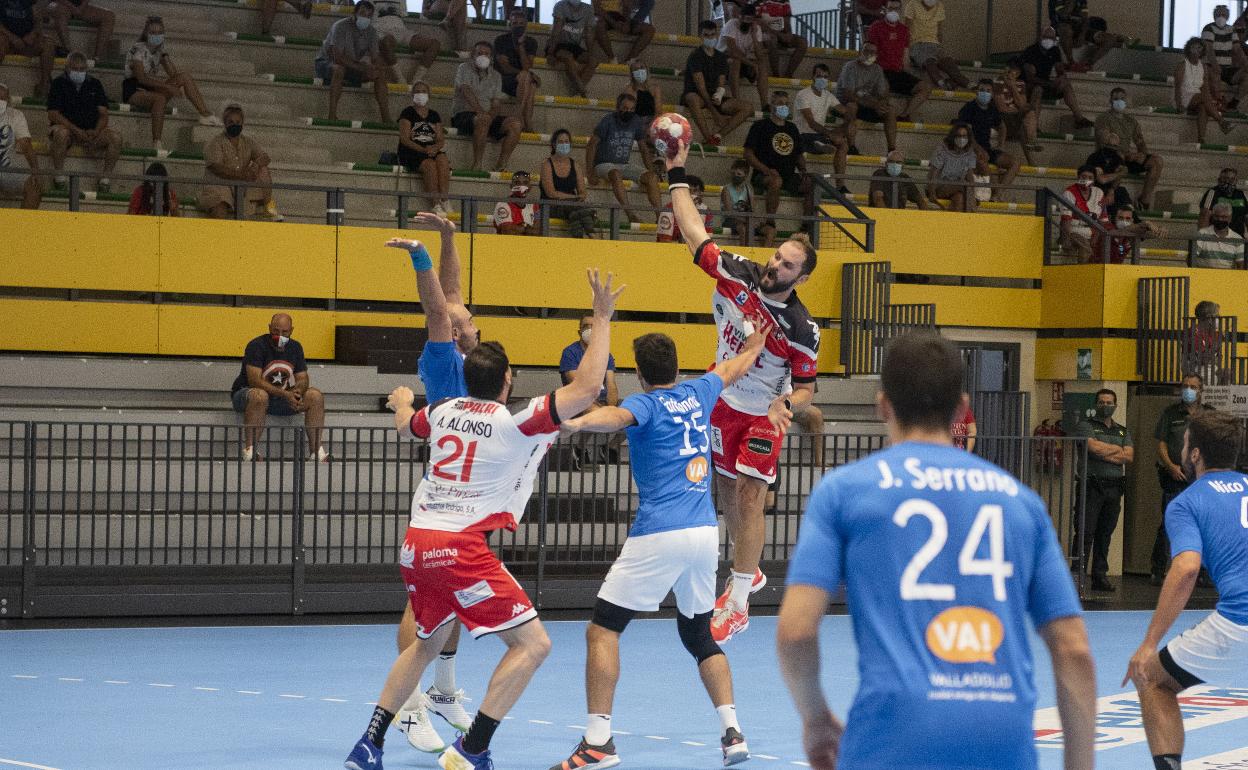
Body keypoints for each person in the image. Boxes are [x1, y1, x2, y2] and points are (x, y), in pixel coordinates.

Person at [342, 265, 625, 770]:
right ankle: (473, 748)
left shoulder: (444, 410)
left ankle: (369, 743)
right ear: (507, 380)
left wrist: (403, 401)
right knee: (532, 644)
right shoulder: (517, 422)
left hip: (416, 545)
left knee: (425, 644)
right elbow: (585, 387)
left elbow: (409, 425)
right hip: (460, 548)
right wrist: (602, 318)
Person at [776, 331, 1095, 770]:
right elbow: (1073, 649)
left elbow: (795, 631)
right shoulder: (1020, 501)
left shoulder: (845, 492)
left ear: (882, 404)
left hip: (890, 735)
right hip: (1001, 740)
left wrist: (815, 719)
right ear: (962, 407)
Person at [549, 328, 766, 770]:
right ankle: (732, 733)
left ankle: (598, 742)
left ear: (638, 373)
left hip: (659, 532)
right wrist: (757, 345)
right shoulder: (698, 391)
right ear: (677, 366)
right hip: (705, 533)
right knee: (698, 634)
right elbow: (732, 367)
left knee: (603, 629)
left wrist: (578, 420)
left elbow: (615, 417)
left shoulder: (642, 404)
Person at [664, 139, 821, 643]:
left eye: (789, 265)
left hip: (763, 414)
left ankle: (737, 598)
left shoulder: (801, 328)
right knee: (728, 491)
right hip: (722, 400)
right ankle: (747, 570)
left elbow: (808, 389)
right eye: (778, 256)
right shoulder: (738, 274)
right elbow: (692, 232)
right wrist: (676, 172)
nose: (777, 265)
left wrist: (787, 403)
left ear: (802, 278)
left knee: (752, 497)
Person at [1123, 411, 1248, 770]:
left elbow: (1186, 568)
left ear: (1194, 454)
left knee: (1152, 679)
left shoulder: (1188, 502)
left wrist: (1149, 644)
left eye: (1184, 442)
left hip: (1238, 620)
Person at [230, 313, 327, 462]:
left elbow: (302, 378)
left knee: (315, 396)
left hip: (279, 398)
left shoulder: (295, 347)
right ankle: (250, 451)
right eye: (275, 331)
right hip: (246, 395)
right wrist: (285, 394)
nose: (280, 336)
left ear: (292, 330)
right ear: (269, 328)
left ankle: (316, 452)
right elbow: (254, 380)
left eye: (285, 332)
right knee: (259, 395)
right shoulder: (256, 345)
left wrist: (297, 392)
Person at [124, 15, 220, 150]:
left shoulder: (160, 50)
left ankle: (204, 114)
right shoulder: (137, 49)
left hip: (151, 88)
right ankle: (157, 142)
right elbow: (141, 78)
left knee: (184, 76)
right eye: (153, 33)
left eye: (159, 33)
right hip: (134, 89)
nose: (156, 36)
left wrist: (165, 58)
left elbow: (174, 74)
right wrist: (168, 86)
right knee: (160, 98)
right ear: (146, 33)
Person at [1149, 373, 1209, 587]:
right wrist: (1171, 466)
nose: (1188, 390)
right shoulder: (1171, 413)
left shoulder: (1208, 415)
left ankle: (1201, 572)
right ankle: (1158, 569)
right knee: (1169, 522)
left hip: (1200, 479)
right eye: (1185, 386)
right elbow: (1162, 444)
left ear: (1201, 390)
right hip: (1175, 477)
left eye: (1193, 386)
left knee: (1202, 524)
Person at [1073, 388, 1133, 592]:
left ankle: (1100, 576)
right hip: (1092, 486)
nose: (1105, 406)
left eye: (1109, 402)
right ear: (1095, 404)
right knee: (1085, 532)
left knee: (1105, 533)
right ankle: (1077, 576)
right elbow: (1093, 448)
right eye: (1102, 402)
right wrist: (1117, 451)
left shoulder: (1122, 430)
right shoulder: (1085, 426)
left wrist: (1105, 451)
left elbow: (1129, 456)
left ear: (1115, 405)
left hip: (1114, 488)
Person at [744, 90, 813, 246]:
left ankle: (806, 225)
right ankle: (770, 220)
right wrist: (766, 170)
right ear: (772, 105)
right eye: (781, 103)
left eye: (787, 104)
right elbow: (748, 154)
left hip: (789, 174)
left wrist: (804, 171)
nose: (784, 107)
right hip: (764, 174)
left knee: (812, 185)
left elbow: (798, 155)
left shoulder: (792, 128)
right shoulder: (760, 126)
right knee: (776, 181)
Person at [47, 52, 120, 194]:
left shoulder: (95, 84)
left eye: (82, 69)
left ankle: (105, 179)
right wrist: (75, 130)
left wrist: (96, 131)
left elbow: (104, 114)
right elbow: (53, 114)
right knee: (61, 133)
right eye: (75, 69)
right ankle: (59, 176)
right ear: (67, 68)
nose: (79, 72)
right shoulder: (58, 83)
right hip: (67, 130)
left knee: (116, 137)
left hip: (90, 132)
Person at [586, 93, 659, 224]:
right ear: (618, 107)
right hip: (603, 164)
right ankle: (630, 214)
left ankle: (660, 217)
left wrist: (651, 169)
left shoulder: (636, 121)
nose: (628, 111)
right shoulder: (607, 120)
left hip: (624, 164)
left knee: (652, 178)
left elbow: (643, 148)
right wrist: (590, 172)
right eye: (625, 108)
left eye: (632, 109)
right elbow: (592, 145)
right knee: (615, 173)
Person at [316, 1, 392, 124]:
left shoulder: (371, 31)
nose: (365, 17)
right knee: (339, 69)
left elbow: (375, 57)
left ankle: (386, 118)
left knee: (379, 74)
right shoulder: (340, 26)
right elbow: (337, 57)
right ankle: (331, 115)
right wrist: (362, 68)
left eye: (369, 15)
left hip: (352, 66)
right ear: (354, 13)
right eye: (362, 13)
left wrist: (376, 68)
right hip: (326, 63)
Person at [200, 104, 281, 220]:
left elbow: (265, 158)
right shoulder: (215, 142)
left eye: (238, 122)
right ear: (225, 123)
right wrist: (242, 175)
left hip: (242, 185)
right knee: (219, 208)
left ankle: (268, 207)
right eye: (231, 122)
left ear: (242, 123)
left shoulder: (248, 142)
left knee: (263, 170)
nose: (235, 125)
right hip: (219, 184)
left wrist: (255, 166)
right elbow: (216, 168)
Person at [452, 40, 521, 172]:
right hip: (464, 114)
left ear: (491, 57)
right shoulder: (463, 68)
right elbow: (466, 90)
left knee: (515, 124)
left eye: (486, 54)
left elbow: (496, 103)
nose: (483, 56)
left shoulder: (496, 76)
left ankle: (501, 165)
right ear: (473, 54)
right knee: (482, 120)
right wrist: (481, 113)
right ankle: (477, 165)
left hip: (486, 117)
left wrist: (490, 116)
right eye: (480, 53)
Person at [683, 20, 753, 146]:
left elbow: (721, 85)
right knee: (692, 98)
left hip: (713, 96)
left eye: (712, 35)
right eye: (706, 35)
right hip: (698, 94)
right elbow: (701, 88)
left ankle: (718, 136)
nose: (710, 38)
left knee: (748, 107)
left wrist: (719, 95)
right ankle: (708, 137)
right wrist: (715, 113)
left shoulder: (721, 57)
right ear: (700, 36)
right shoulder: (695, 56)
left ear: (716, 35)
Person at [1093, 88, 1163, 211]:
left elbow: (1140, 141)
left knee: (1157, 161)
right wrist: (1126, 154)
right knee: (1119, 157)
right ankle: (1112, 192)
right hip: (1108, 157)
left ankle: (1144, 200)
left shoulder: (1131, 120)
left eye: (1122, 98)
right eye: (1116, 99)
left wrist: (1142, 154)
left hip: (1126, 156)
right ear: (1110, 100)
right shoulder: (1103, 118)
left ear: (1126, 100)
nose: (1119, 101)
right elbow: (1105, 140)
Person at [867, 0, 930, 122]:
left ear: (900, 10)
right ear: (885, 9)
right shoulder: (876, 27)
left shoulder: (904, 30)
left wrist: (910, 74)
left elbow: (905, 58)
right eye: (890, 8)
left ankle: (904, 115)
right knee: (883, 87)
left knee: (925, 87)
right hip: (880, 71)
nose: (893, 11)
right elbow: (870, 52)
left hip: (897, 73)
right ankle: (881, 116)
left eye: (896, 9)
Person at [1019, 26, 1093, 129]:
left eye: (1051, 38)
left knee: (1065, 84)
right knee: (1038, 89)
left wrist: (1061, 76)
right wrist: (1050, 84)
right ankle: (1033, 126)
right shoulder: (1030, 52)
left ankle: (1079, 118)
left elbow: (1059, 68)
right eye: (1046, 37)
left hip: (1045, 83)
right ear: (1040, 37)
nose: (1048, 40)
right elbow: (1030, 78)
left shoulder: (1054, 51)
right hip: (1029, 86)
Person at [957, 77, 1018, 201]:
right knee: (983, 161)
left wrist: (1001, 145)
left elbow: (1002, 126)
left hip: (987, 148)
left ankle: (998, 194)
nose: (985, 93)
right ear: (976, 92)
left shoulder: (992, 109)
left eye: (988, 91)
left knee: (1015, 163)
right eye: (982, 90)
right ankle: (991, 192)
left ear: (992, 94)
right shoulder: (968, 108)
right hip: (969, 149)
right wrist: (977, 148)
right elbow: (965, 133)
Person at [398, 80, 450, 215]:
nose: (420, 94)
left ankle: (445, 199)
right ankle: (435, 204)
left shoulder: (434, 115)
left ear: (429, 95)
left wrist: (435, 148)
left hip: (430, 149)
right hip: (412, 150)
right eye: (417, 91)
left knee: (443, 159)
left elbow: (440, 139)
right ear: (412, 95)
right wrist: (423, 150)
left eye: (423, 91)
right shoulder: (407, 112)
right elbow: (404, 139)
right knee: (429, 165)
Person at [794, 63, 850, 189]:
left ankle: (840, 185)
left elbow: (845, 111)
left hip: (819, 135)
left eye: (825, 77)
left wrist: (846, 125)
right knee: (814, 139)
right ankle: (819, 145)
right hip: (802, 134)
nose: (822, 79)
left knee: (843, 143)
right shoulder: (803, 94)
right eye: (819, 76)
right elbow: (811, 123)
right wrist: (830, 134)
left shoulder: (828, 95)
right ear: (813, 77)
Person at [836, 42, 897, 153]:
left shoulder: (877, 69)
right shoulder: (850, 66)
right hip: (846, 104)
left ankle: (892, 150)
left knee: (890, 110)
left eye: (873, 52)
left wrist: (882, 103)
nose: (869, 54)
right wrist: (874, 104)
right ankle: (852, 147)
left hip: (867, 105)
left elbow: (883, 94)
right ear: (860, 52)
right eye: (866, 51)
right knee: (851, 106)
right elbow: (848, 95)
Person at [1175, 37, 1231, 144]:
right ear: (1189, 49)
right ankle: (1221, 122)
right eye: (1193, 47)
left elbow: (1205, 88)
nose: (1196, 49)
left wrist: (1210, 103)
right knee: (1203, 98)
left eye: (1199, 47)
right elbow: (1177, 88)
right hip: (1183, 97)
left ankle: (1201, 139)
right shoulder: (1182, 65)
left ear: (1202, 51)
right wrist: (1179, 105)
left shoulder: (1203, 67)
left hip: (1198, 98)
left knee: (1203, 108)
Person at [541, 128, 595, 238]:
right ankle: (592, 234)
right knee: (580, 209)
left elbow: (583, 192)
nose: (564, 144)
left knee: (574, 214)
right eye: (560, 142)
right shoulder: (547, 164)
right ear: (554, 145)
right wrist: (573, 198)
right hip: (550, 205)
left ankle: (578, 238)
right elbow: (551, 193)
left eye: (566, 142)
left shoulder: (575, 165)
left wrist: (578, 197)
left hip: (572, 206)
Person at [372, 0, 440, 85]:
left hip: (402, 31)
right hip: (380, 30)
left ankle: (415, 81)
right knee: (386, 41)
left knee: (434, 44)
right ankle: (400, 79)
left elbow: (403, 16)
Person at [903, 0, 967, 89]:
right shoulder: (912, 4)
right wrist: (906, 52)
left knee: (947, 61)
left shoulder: (940, 6)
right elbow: (906, 30)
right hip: (918, 44)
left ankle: (967, 83)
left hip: (934, 44)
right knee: (930, 61)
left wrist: (940, 47)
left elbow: (939, 32)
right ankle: (941, 83)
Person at [494, 8, 539, 132]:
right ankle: (525, 121)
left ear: (526, 25)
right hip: (502, 79)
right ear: (510, 24)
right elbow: (505, 68)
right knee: (527, 78)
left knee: (530, 84)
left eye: (521, 24)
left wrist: (521, 46)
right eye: (514, 24)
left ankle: (524, 120)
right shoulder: (500, 40)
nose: (518, 26)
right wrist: (526, 74)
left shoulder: (531, 42)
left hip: (521, 82)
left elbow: (526, 66)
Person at [717, 3, 770, 107]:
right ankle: (737, 100)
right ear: (740, 17)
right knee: (735, 61)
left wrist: (754, 36)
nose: (746, 23)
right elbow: (732, 51)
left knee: (762, 65)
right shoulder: (731, 24)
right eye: (745, 19)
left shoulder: (756, 29)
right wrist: (751, 64)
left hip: (743, 61)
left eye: (750, 20)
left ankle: (764, 104)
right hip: (722, 61)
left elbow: (760, 56)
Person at [0, 82, 42, 209]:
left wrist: (35, 172)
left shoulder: (15, 115)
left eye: (2, 99)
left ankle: (24, 227)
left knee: (34, 187)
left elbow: (26, 144)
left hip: (7, 167)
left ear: (8, 100)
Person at [0, 0, 52, 97]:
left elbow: (38, 20)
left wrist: (33, 34)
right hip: (6, 40)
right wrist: (12, 37)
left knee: (48, 43)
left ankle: (44, 86)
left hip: (26, 42)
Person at [547, 0, 598, 97]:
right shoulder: (560, 5)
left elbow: (589, 33)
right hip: (559, 44)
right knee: (568, 57)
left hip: (574, 46)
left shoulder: (588, 9)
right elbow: (556, 30)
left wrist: (590, 53)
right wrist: (550, 52)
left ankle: (577, 92)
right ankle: (582, 91)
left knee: (593, 60)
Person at [1202, 4, 1248, 110]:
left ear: (1227, 17)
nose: (1221, 16)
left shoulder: (1231, 30)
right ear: (1214, 16)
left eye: (1224, 14)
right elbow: (1209, 49)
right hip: (1211, 66)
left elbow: (1237, 50)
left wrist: (1246, 64)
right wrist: (1215, 65)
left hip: (1227, 68)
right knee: (1214, 75)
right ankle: (1218, 102)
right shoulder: (1209, 28)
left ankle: (1234, 103)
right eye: (1219, 14)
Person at [998, 58, 1042, 166]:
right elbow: (1001, 107)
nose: (1009, 73)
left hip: (1015, 116)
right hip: (1003, 116)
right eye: (1008, 70)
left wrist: (1013, 86)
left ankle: (1032, 140)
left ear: (1018, 73)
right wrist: (1016, 109)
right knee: (1022, 127)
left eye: (1013, 71)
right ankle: (1031, 148)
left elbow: (1021, 104)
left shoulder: (1021, 84)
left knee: (1029, 112)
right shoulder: (997, 82)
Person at [927, 122, 978, 212]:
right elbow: (933, 173)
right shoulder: (942, 150)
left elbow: (970, 176)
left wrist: (971, 193)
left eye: (964, 136)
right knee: (964, 185)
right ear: (953, 136)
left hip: (959, 189)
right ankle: (973, 212)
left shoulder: (970, 153)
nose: (961, 139)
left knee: (960, 199)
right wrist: (932, 193)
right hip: (938, 187)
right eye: (959, 136)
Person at [1059, 164, 1106, 261]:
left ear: (1094, 180)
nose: (1086, 180)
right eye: (1083, 177)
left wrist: (1096, 238)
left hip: (1093, 232)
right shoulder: (1069, 192)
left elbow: (1102, 220)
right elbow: (1066, 221)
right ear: (1078, 177)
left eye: (1090, 178)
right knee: (1085, 247)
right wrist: (1066, 239)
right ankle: (1082, 274)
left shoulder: (1099, 192)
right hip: (1074, 231)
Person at [47, 0, 114, 61]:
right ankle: (68, 52)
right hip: (57, 3)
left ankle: (97, 58)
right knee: (60, 10)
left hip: (78, 6)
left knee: (109, 16)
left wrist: (81, 8)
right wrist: (72, 7)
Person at [592, 0, 653, 64]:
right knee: (598, 26)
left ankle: (629, 60)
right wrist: (614, 23)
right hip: (605, 16)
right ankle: (612, 58)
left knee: (650, 30)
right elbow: (596, 8)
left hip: (622, 16)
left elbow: (627, 5)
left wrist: (627, 23)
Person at [758, 0, 806, 78]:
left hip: (780, 33)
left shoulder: (785, 1)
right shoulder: (759, 2)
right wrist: (779, 34)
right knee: (772, 40)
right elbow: (758, 23)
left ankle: (788, 75)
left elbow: (787, 22)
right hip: (763, 33)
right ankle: (776, 75)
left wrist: (788, 34)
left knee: (802, 42)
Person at [1183, 301, 1227, 386]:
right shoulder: (1193, 332)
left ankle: (1220, 398)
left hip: (1209, 369)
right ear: (1209, 318)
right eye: (1217, 316)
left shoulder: (1211, 333)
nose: (1220, 318)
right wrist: (1217, 344)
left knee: (1227, 373)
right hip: (1196, 372)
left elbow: (1218, 359)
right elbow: (1202, 359)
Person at [657, 174, 711, 243]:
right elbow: (664, 241)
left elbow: (707, 241)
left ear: (701, 194)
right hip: (670, 250)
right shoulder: (668, 210)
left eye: (695, 191)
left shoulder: (706, 211)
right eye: (688, 191)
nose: (691, 194)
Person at [1193, 202, 1246, 268]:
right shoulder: (1202, 234)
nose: (1220, 219)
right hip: (1203, 276)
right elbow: (1192, 258)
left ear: (1230, 218)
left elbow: (1240, 266)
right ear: (1212, 217)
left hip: (1226, 277)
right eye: (1217, 216)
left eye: (1224, 217)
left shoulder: (1238, 239)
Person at [1198, 166, 1248, 235]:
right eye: (1225, 179)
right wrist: (1202, 237)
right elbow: (1204, 215)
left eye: (1232, 179)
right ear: (1219, 180)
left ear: (1236, 181)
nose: (1228, 182)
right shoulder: (1212, 193)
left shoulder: (1241, 195)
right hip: (1215, 236)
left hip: (1237, 237)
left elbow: (1246, 217)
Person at [494, 169, 538, 235]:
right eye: (517, 183)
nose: (521, 186)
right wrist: (527, 228)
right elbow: (507, 231)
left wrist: (520, 227)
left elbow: (539, 230)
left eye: (525, 183)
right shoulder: (503, 204)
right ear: (511, 186)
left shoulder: (535, 206)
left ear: (530, 187)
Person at [720, 160, 756, 243]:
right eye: (733, 174)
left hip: (745, 220)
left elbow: (752, 209)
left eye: (739, 174)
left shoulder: (749, 189)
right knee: (743, 227)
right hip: (729, 220)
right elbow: (729, 212)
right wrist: (745, 220)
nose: (735, 176)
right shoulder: (726, 189)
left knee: (770, 231)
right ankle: (743, 252)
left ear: (746, 175)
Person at [624, 57, 660, 122]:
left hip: (652, 122)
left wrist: (651, 125)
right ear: (632, 73)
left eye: (641, 67)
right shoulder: (629, 89)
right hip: (635, 123)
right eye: (636, 69)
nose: (639, 71)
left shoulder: (655, 88)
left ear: (646, 70)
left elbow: (658, 111)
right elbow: (629, 111)